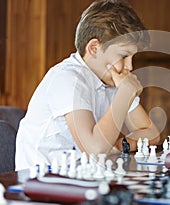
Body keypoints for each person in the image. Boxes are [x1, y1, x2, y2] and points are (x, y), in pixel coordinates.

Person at [15, 0, 160, 171]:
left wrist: (122, 145)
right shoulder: (67, 78)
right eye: (123, 56)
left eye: (132, 58)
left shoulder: (111, 79)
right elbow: (95, 151)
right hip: (39, 183)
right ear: (94, 48)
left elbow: (151, 133)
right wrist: (125, 94)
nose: (130, 67)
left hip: (82, 178)